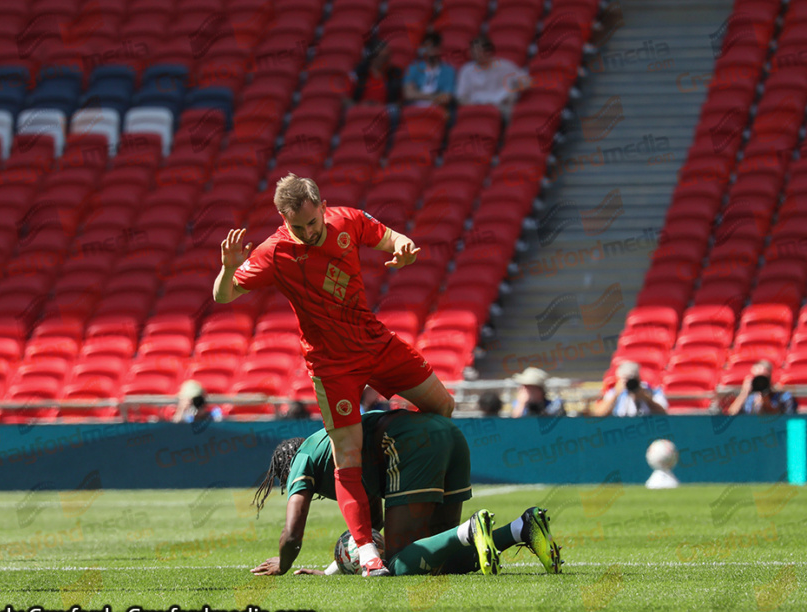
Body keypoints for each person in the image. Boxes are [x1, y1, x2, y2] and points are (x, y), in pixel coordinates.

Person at [213, 174, 454, 576]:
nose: (308, 232)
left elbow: (390, 237)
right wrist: (227, 268)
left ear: (323, 206)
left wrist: (404, 249)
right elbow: (223, 295)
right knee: (347, 453)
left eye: (313, 223)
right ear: (282, 218)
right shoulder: (274, 253)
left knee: (443, 407)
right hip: (331, 364)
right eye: (298, 227)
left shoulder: (348, 220)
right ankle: (366, 551)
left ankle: (391, 468)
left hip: (374, 342)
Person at [249, 410, 562, 576]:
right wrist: (334, 569)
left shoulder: (303, 456)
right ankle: (523, 528)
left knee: (397, 562)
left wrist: (283, 564)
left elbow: (292, 534)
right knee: (446, 558)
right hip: (449, 434)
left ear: (285, 468)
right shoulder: (332, 451)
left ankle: (469, 528)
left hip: (409, 440)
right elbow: (371, 526)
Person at [456, 37, 532, 119]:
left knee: (515, 115)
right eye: (473, 51)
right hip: (476, 106)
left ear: (488, 52)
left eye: (479, 51)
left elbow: (526, 81)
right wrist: (474, 107)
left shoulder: (504, 66)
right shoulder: (466, 70)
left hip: (501, 107)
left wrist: (515, 89)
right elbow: (461, 96)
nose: (475, 54)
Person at [592, 360, 668, 417]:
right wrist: (615, 395)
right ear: (619, 379)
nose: (629, 382)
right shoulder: (615, 392)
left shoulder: (651, 391)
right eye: (625, 379)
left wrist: (645, 398)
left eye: (631, 378)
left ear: (638, 378)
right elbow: (599, 414)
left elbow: (663, 412)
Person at [403, 31, 456, 109]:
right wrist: (434, 96)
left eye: (433, 47)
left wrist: (418, 94)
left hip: (437, 109)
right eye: (427, 47)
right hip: (414, 108)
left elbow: (446, 98)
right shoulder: (413, 67)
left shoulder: (448, 71)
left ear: (439, 49)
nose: (430, 50)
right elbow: (408, 94)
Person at [727, 360, 797, 415]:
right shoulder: (749, 398)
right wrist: (744, 393)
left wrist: (765, 399)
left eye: (763, 378)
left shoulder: (783, 396)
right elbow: (732, 414)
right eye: (757, 378)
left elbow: (780, 418)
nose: (760, 382)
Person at [352, 40, 403, 105]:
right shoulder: (358, 73)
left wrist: (384, 107)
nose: (386, 60)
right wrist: (359, 105)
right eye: (383, 57)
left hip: (385, 112)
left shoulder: (395, 75)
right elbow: (346, 99)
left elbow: (401, 101)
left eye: (388, 56)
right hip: (361, 111)